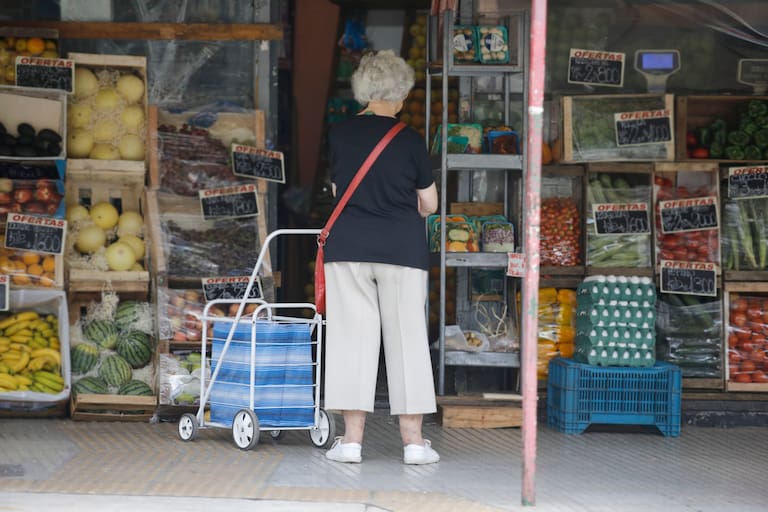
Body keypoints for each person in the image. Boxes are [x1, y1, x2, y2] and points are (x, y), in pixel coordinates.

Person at [322, 49, 440, 465]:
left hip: (348, 249)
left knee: (352, 340)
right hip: (401, 250)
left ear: (364, 91)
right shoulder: (410, 139)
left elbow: (337, 192)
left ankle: (352, 442)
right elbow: (430, 203)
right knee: (408, 340)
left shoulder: (340, 134)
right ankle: (414, 444)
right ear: (401, 93)